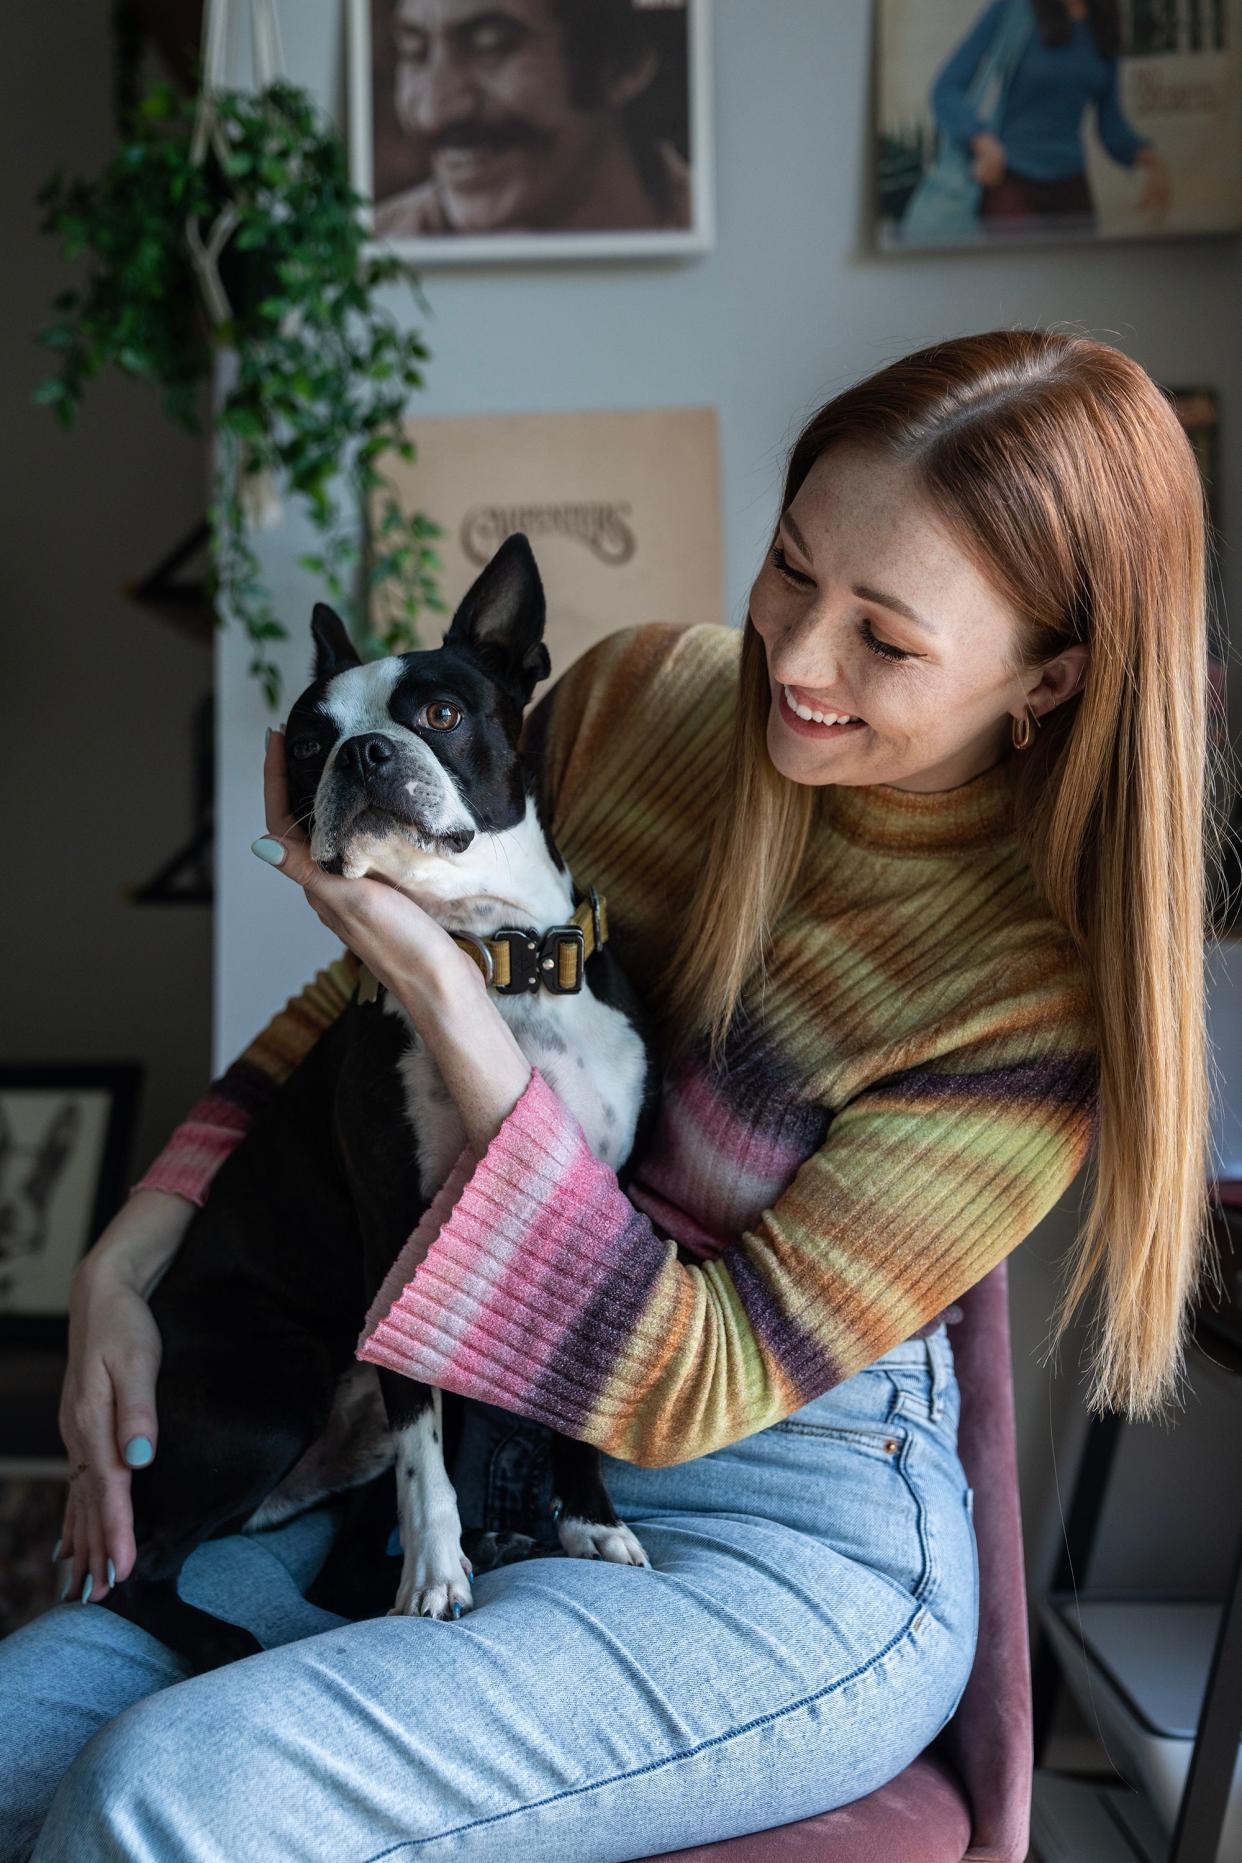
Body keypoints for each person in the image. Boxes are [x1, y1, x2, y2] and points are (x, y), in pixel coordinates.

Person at [1, 328, 1225, 1860]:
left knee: (165, 1793)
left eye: (884, 639)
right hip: (452, 1421)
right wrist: (141, 1230)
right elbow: (360, 1008)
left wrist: (461, 1000)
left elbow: (700, 1379)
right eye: (790, 569)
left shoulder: (1027, 1000)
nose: (792, 656)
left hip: (776, 1523)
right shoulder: (646, 696)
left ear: (1046, 676)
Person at [375, 0, 692, 238]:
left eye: (491, 44)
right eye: (414, 51)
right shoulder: (371, 253)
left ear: (623, 63)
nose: (433, 112)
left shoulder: (730, 233)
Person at [930, 0, 1172, 236]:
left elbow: (1111, 125)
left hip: (1071, 186)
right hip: (1010, 181)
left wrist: (1151, 162)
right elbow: (946, 90)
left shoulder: (1103, 23)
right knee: (1023, 274)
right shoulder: (1015, 10)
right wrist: (981, 141)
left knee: (1081, 275)